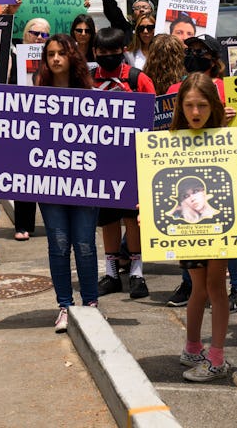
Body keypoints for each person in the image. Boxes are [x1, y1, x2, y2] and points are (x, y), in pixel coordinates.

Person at [34, 33, 99, 332]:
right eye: (50, 54)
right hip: (49, 184)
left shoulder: (91, 93)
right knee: (58, 245)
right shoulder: (35, 94)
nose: (56, 58)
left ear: (72, 56)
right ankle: (65, 306)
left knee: (85, 244)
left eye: (61, 53)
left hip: (85, 182)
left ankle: (91, 305)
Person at [169, 73, 232, 381]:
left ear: (213, 106)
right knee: (198, 287)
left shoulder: (223, 138)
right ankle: (192, 346)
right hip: (188, 228)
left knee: (216, 287)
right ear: (180, 106)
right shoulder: (169, 141)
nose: (195, 112)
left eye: (203, 106)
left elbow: (234, 179)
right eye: (190, 105)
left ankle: (216, 357)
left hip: (218, 226)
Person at [90, 27, 155, 300]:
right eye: (102, 52)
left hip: (133, 160)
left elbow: (154, 115)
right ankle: (112, 273)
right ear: (95, 52)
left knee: (132, 217)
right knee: (108, 219)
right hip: (100, 161)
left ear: (123, 50)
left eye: (113, 51)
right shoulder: (88, 79)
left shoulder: (137, 79)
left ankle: (137, 272)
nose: (108, 56)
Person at [9, 18, 50, 241]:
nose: (39, 38)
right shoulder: (14, 57)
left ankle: (53, 222)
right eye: (35, 33)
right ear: (26, 33)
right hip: (22, 122)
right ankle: (24, 224)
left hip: (48, 123)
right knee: (23, 174)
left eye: (44, 35)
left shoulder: (53, 58)